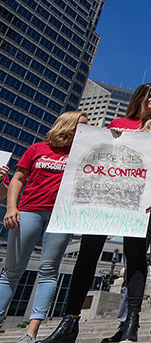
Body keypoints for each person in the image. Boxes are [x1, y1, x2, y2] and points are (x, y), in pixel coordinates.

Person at [39, 84, 151, 343]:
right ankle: (71, 321)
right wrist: (109, 136)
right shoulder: (117, 122)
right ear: (139, 97)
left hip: (137, 199)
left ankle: (131, 324)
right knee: (87, 255)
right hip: (103, 197)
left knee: (136, 258)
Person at [0, 112, 87, 343]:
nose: (86, 131)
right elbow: (18, 179)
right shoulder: (36, 149)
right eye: (83, 126)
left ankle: (31, 332)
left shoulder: (81, 154)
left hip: (61, 217)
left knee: (49, 271)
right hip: (29, 210)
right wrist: (11, 208)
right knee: (12, 271)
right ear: (67, 126)